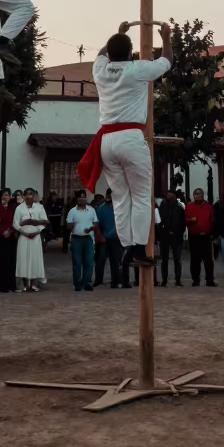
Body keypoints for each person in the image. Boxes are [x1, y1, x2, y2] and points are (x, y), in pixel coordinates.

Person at [82, 21, 173, 266]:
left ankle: (127, 246)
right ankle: (140, 249)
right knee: (142, 196)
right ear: (131, 52)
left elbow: (101, 54)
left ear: (109, 52)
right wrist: (166, 37)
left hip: (107, 140)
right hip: (130, 137)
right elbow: (166, 62)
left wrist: (119, 34)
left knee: (121, 198)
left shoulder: (100, 69)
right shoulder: (137, 69)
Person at [13, 188, 48, 291]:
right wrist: (22, 231)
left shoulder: (40, 207)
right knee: (24, 260)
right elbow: (15, 223)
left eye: (31, 194)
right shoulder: (19, 208)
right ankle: (25, 284)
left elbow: (44, 222)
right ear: (24, 196)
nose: (29, 197)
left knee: (34, 259)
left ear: (34, 196)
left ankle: (33, 284)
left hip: (36, 237)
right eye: (27, 194)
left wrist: (37, 231)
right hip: (24, 237)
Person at [66, 189, 98, 292]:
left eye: (83, 197)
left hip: (88, 238)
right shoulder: (72, 211)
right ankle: (77, 283)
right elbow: (68, 226)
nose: (82, 199)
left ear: (86, 198)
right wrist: (72, 225)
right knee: (77, 262)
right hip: (76, 238)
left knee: (89, 261)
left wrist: (91, 228)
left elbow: (96, 223)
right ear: (77, 199)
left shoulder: (91, 210)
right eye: (80, 197)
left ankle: (87, 282)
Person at [185, 188, 217, 287]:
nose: (197, 196)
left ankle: (209, 280)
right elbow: (185, 220)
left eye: (199, 194)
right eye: (195, 194)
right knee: (195, 259)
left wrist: (213, 234)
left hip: (206, 237)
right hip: (194, 237)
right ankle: (195, 280)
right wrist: (192, 220)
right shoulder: (189, 206)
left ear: (203, 195)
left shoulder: (209, 207)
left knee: (208, 260)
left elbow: (213, 221)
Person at [95, 190, 126, 289]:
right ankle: (98, 280)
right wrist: (100, 236)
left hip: (116, 238)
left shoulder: (119, 208)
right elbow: (97, 224)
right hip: (104, 237)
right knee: (101, 260)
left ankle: (115, 282)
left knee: (115, 261)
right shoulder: (100, 208)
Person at [0, 188, 18, 293]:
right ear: (1, 196)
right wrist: (3, 231)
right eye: (5, 195)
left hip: (10, 237)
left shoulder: (13, 208)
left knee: (10, 262)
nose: (7, 197)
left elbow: (16, 221)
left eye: (8, 195)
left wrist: (10, 231)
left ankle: (10, 285)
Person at [158, 188, 186, 287]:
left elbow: (183, 223)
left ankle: (178, 280)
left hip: (176, 235)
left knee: (177, 258)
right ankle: (164, 280)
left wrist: (178, 232)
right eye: (168, 194)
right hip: (164, 235)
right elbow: (159, 219)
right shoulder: (163, 205)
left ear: (175, 195)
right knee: (164, 259)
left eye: (171, 194)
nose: (169, 195)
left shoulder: (179, 207)